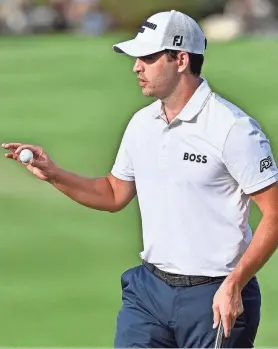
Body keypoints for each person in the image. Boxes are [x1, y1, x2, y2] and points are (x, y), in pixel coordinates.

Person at [2, 9, 278, 348]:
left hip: (215, 293)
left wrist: (236, 283)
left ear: (180, 59)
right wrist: (54, 174)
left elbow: (274, 214)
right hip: (149, 293)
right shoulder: (141, 124)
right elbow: (114, 193)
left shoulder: (233, 129)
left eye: (147, 57)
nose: (136, 67)